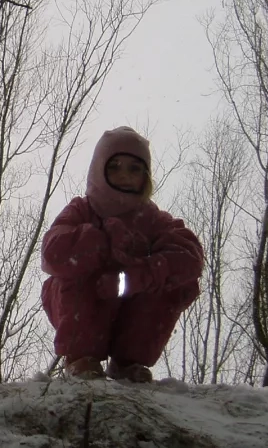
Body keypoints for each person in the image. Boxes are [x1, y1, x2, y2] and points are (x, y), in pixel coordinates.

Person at [41, 126, 204, 382]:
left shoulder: (154, 221)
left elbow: (189, 258)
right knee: (75, 269)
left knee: (175, 283)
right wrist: (104, 240)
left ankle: (129, 360)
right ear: (99, 169)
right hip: (77, 304)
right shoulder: (82, 210)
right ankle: (81, 357)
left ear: (145, 176)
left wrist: (135, 276)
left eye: (134, 168)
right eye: (114, 166)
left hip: (128, 303)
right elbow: (53, 253)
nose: (124, 175)